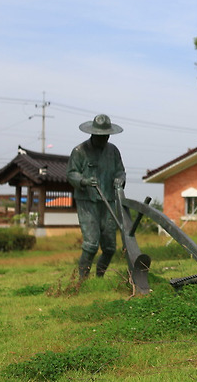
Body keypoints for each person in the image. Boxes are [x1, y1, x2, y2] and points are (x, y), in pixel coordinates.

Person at [67, 114, 126, 279]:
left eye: (107, 136)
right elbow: (71, 173)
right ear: (93, 134)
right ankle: (82, 281)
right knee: (91, 245)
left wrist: (119, 179)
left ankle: (99, 277)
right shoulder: (79, 151)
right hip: (88, 202)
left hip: (108, 200)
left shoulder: (113, 151)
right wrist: (84, 181)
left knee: (109, 248)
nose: (104, 139)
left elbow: (120, 170)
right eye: (101, 136)